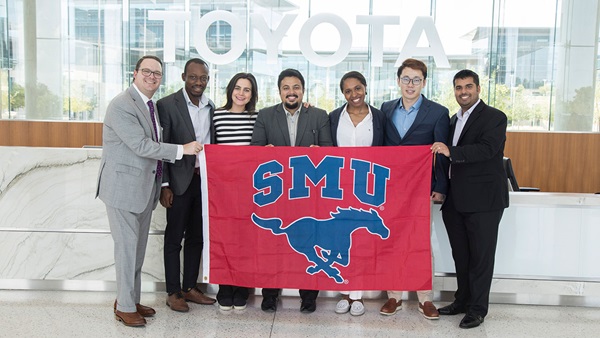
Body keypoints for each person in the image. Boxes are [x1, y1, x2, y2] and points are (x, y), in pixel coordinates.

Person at [96, 55, 202, 327]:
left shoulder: (150, 106)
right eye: (147, 71)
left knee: (137, 250)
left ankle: (128, 300)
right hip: (123, 189)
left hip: (143, 190)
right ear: (135, 73)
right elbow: (142, 146)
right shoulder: (122, 105)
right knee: (127, 250)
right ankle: (125, 306)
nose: (152, 77)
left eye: (157, 73)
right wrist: (183, 149)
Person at [250, 68, 333, 313]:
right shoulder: (265, 115)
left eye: (296, 87)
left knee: (310, 243)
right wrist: (265, 151)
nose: (291, 92)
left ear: (303, 90)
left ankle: (308, 297)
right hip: (276, 193)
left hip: (308, 193)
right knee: (273, 244)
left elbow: (329, 151)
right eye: (286, 87)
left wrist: (319, 151)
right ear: (279, 91)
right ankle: (270, 295)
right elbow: (255, 149)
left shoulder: (319, 115)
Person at [432, 69, 509, 329]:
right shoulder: (454, 120)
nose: (463, 92)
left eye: (468, 87)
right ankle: (462, 301)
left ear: (478, 88)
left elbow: (488, 150)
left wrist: (450, 151)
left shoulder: (494, 117)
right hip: (455, 201)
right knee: (461, 257)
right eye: (458, 87)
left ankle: (477, 310)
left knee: (480, 258)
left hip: (484, 201)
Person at [379, 58, 450, 320]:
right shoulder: (385, 109)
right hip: (390, 189)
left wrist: (440, 186)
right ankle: (394, 296)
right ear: (398, 81)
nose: (411, 84)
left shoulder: (438, 112)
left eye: (416, 80)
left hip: (422, 190)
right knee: (392, 240)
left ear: (424, 82)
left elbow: (441, 152)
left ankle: (425, 298)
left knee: (421, 242)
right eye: (406, 79)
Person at [157, 58, 216, 313]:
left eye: (203, 78)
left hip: (204, 182)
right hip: (179, 182)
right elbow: (162, 146)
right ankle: (173, 291)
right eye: (193, 77)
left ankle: (190, 287)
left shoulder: (211, 107)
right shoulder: (167, 105)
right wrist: (165, 184)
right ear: (183, 77)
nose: (198, 82)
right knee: (174, 238)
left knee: (197, 237)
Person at [329, 71, 386, 316]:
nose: (354, 94)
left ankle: (358, 295)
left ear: (365, 88)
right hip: (339, 188)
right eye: (348, 90)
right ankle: (344, 292)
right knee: (341, 240)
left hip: (368, 189)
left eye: (358, 88)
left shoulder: (380, 118)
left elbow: (389, 151)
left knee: (362, 241)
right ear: (343, 94)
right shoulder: (333, 118)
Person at [213, 72, 259, 310]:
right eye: (238, 88)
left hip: (249, 189)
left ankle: (242, 287)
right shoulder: (216, 115)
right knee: (223, 238)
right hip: (221, 190)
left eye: (247, 89)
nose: (241, 93)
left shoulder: (257, 117)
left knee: (245, 240)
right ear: (230, 89)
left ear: (252, 94)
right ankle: (224, 286)